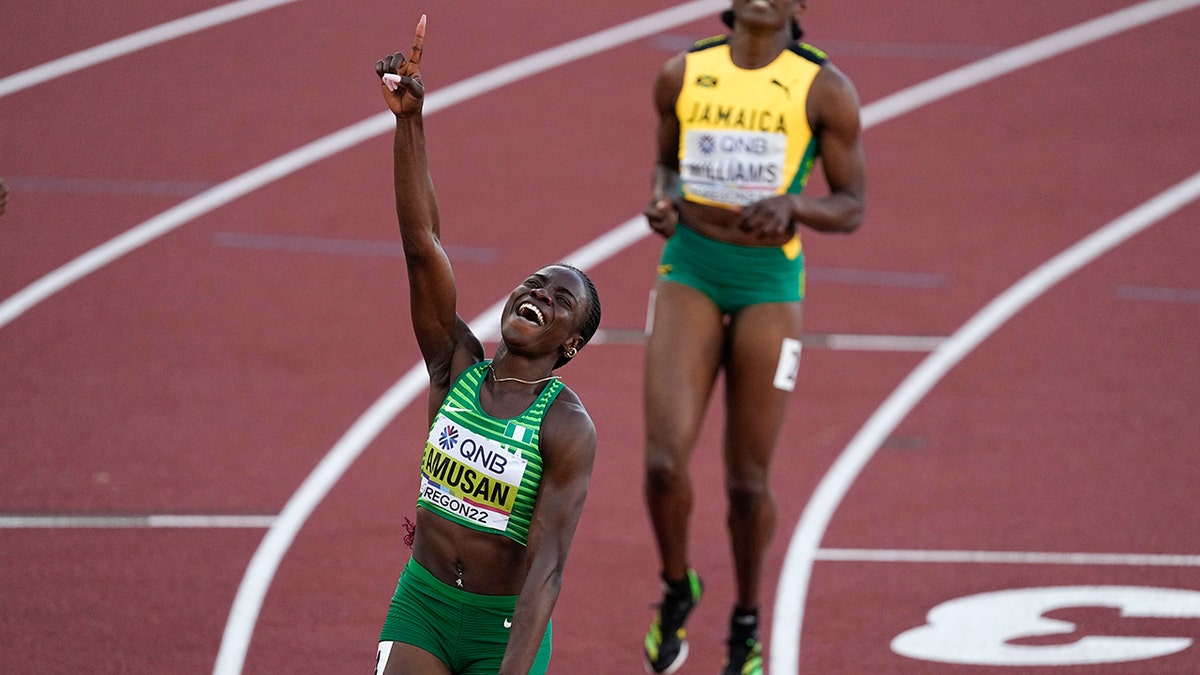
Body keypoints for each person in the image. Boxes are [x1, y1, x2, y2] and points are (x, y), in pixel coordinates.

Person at [372, 15, 602, 675]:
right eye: (533, 283)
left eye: (560, 299)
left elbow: (549, 569)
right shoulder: (455, 362)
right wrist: (409, 121)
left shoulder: (565, 425)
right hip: (423, 602)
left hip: (503, 629)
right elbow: (424, 246)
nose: (537, 293)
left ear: (573, 344)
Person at [640, 1, 865, 673]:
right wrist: (662, 199)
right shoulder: (683, 72)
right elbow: (665, 164)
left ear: (802, 5)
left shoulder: (825, 88)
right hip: (691, 265)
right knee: (662, 464)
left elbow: (851, 204)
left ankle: (746, 620)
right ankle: (678, 587)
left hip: (769, 281)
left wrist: (794, 204)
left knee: (746, 481)